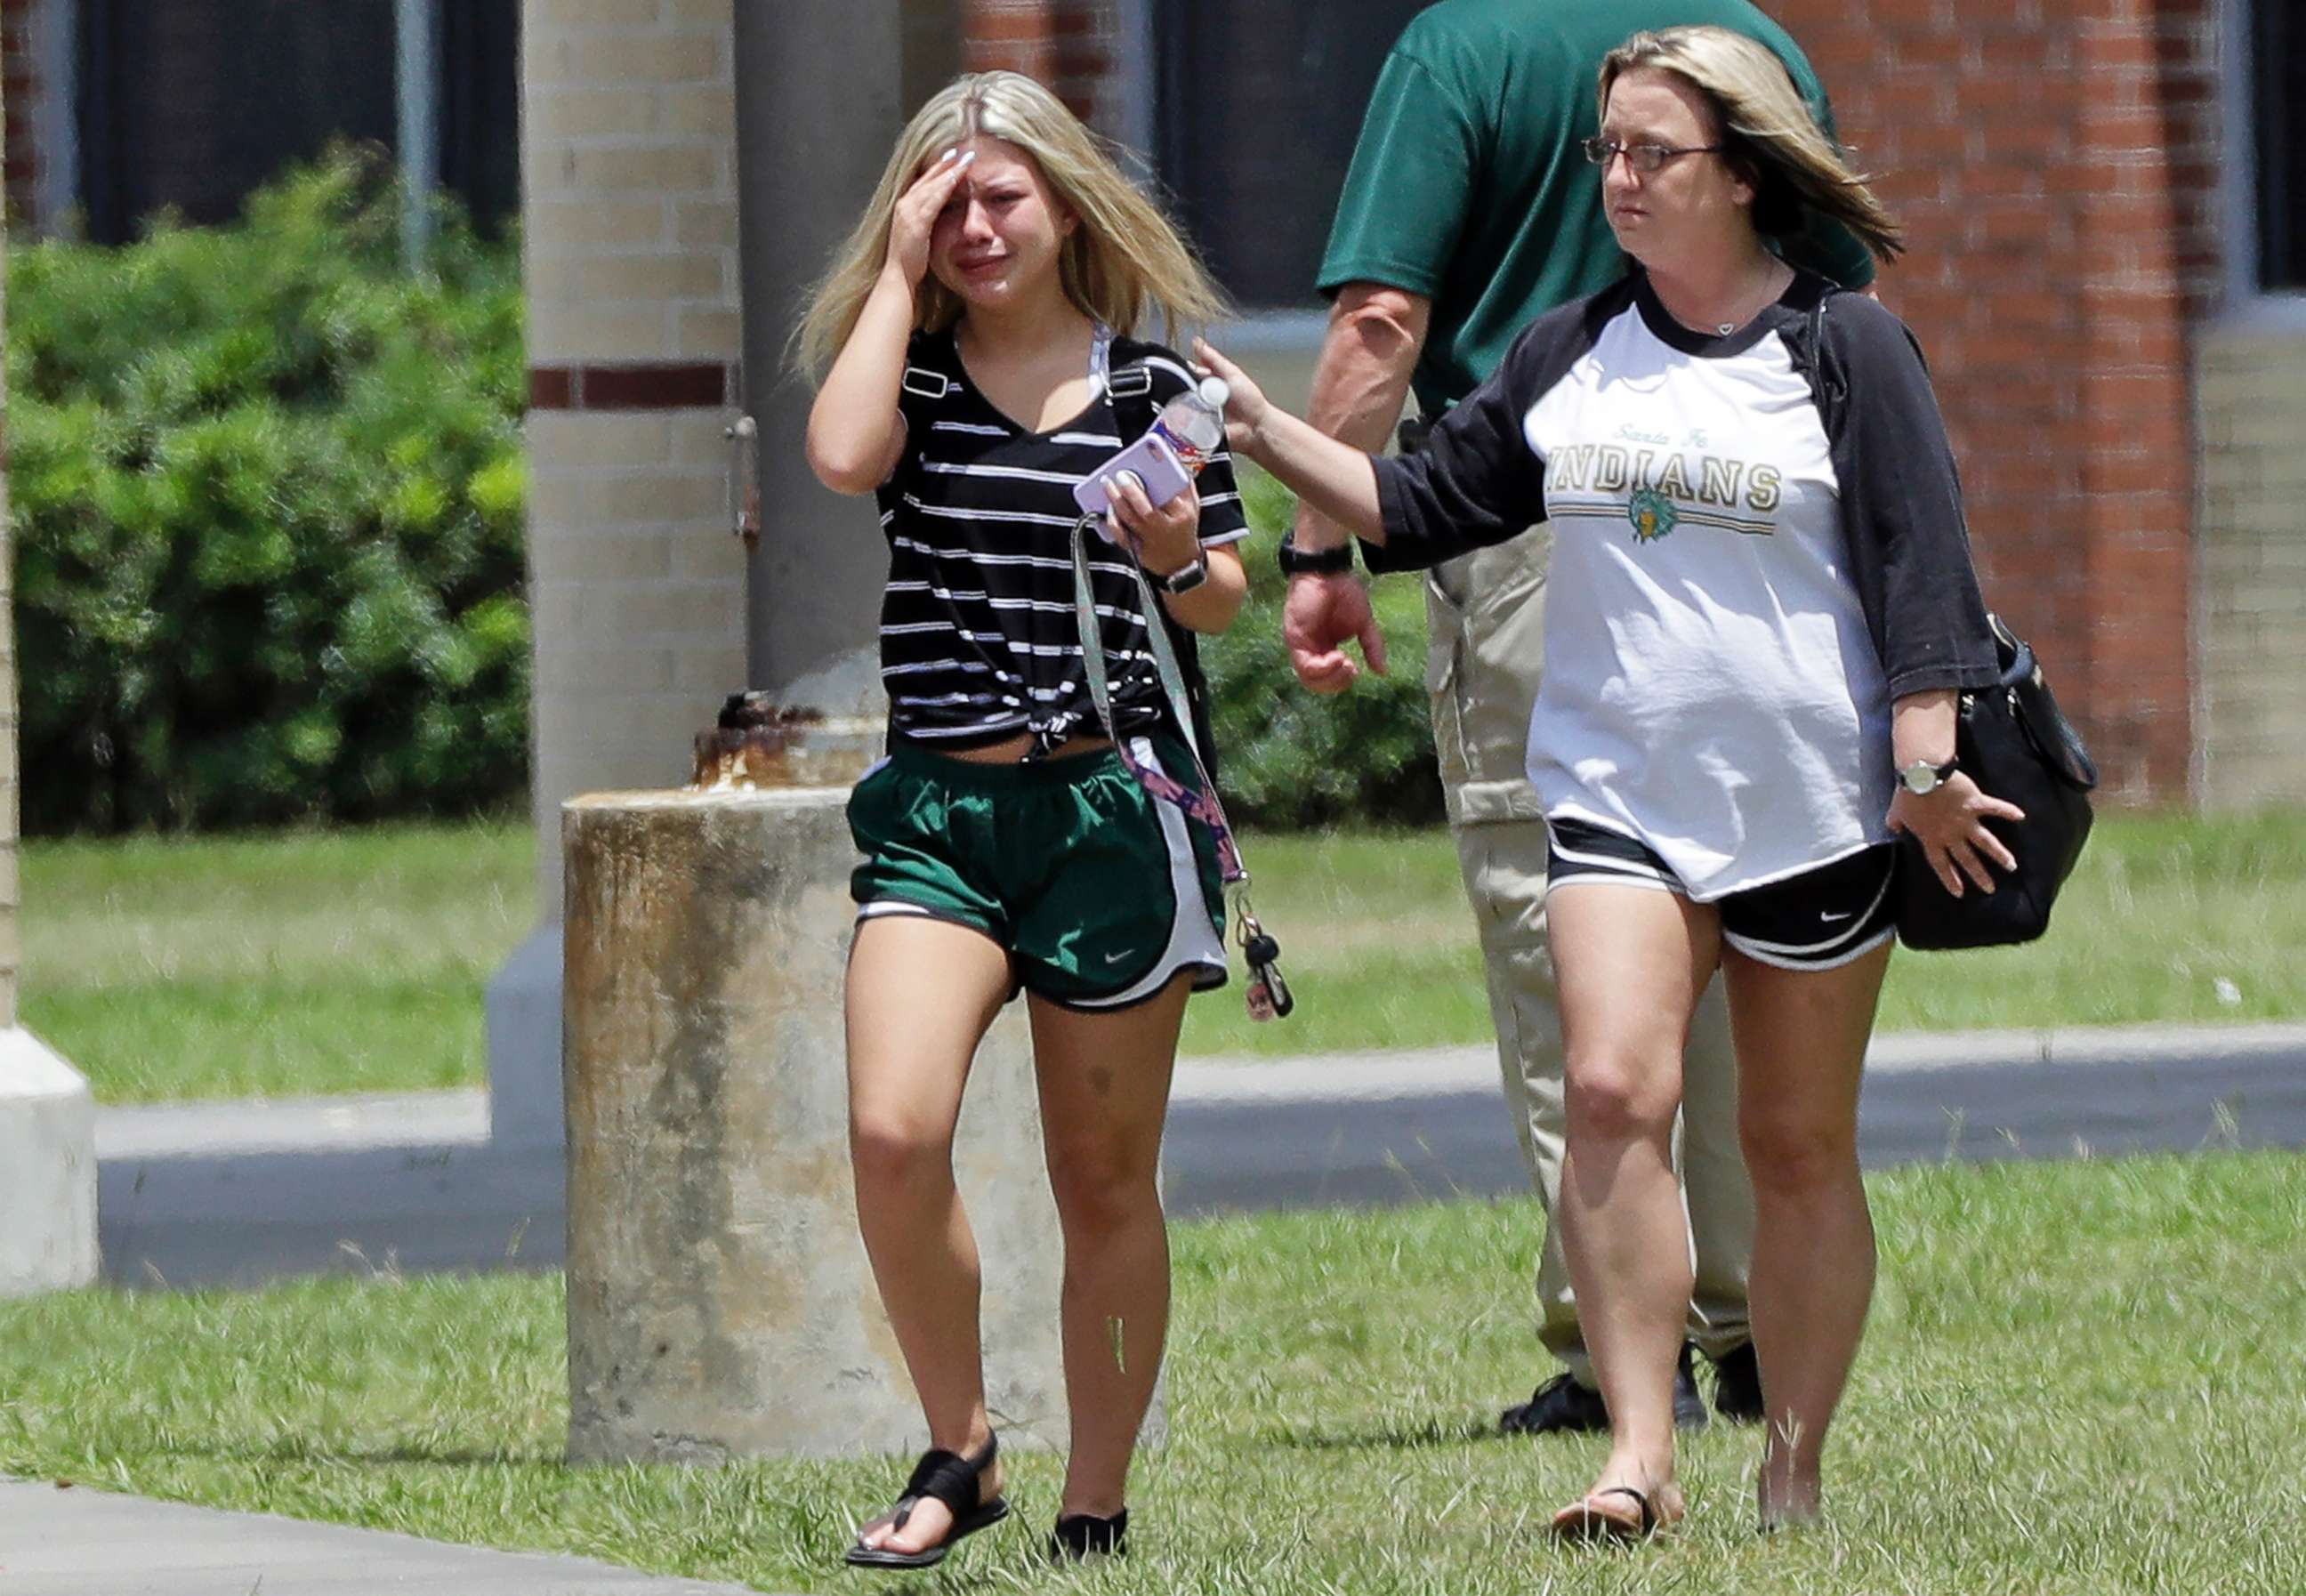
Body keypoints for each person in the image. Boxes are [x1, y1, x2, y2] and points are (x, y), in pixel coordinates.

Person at [1197, 25, 2020, 1537]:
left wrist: (1925, 764)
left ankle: (1794, 1464)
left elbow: (1926, 574)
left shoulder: (1844, 346)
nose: (1621, 181)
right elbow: (1425, 502)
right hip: (1613, 793)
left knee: (1792, 1143)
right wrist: (1271, 439)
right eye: (1610, 153)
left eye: (1654, 154)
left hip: (1812, 805)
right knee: (1609, 1092)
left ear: (1743, 171)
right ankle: (1638, 1453)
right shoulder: (1571, 348)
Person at [1284, 0, 1886, 1440]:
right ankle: (1746, 1321)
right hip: (1757, 527)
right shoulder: (1746, 37)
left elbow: (1381, 322)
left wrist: (1315, 548)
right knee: (1748, 915)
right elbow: (1840, 305)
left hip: (1549, 506)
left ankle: (1618, 1348)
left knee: (1569, 937)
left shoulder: (1464, 46)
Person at [798, 70, 1248, 1568]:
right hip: (941, 806)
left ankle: (1095, 1500)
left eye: (1002, 196)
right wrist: (894, 268)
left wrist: (1181, 550)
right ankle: (962, 1443)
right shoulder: (911, 377)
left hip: (1110, 813)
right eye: (945, 202)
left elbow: (1218, 603)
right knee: (890, 1126)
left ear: (1066, 203)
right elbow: (840, 456)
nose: (976, 226)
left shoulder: (1155, 387)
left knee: (1104, 1177)